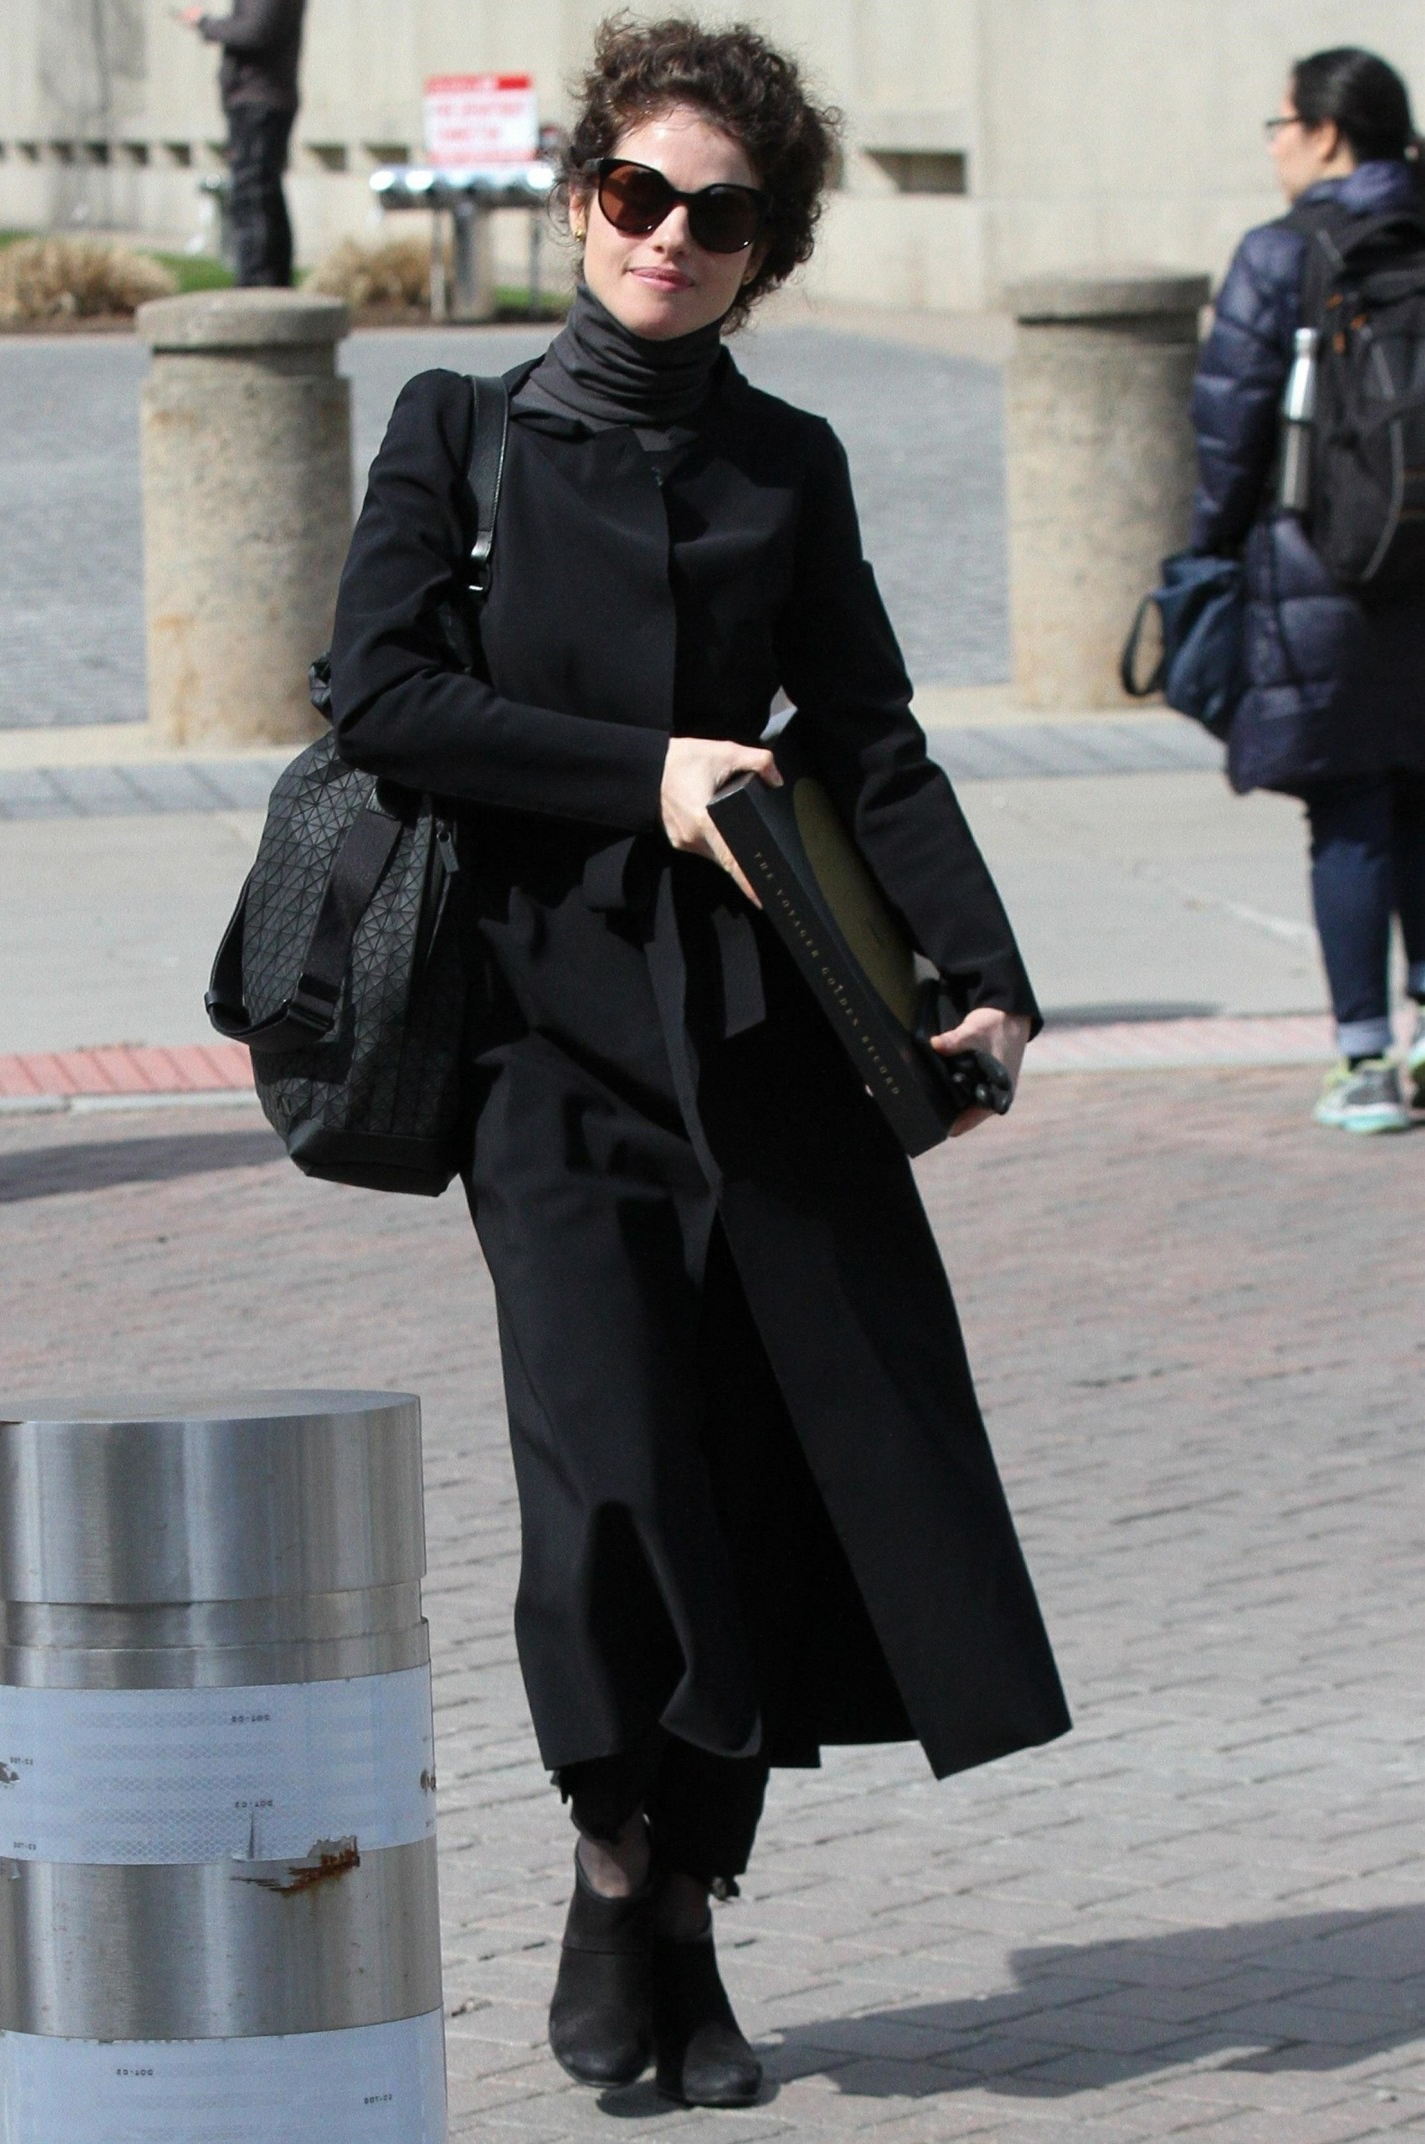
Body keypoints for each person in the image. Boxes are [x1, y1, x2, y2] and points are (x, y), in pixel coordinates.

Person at [329, 15, 1070, 2111]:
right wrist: (638, 774)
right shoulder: (457, 429)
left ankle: (687, 1917)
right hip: (537, 1040)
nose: (668, 235)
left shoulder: (785, 466)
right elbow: (381, 694)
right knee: (612, 1486)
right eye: (637, 194)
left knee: (757, 1483)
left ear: (767, 247)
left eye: (717, 212)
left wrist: (987, 972)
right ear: (582, 200)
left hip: (756, 1046)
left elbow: (870, 735)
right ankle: (606, 1846)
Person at [1191, 46, 1425, 1133]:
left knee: (1352, 814)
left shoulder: (1280, 252)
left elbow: (1229, 428)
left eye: (1281, 124)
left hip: (1315, 565)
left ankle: (1367, 1061)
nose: (1277, 143)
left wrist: (1204, 553)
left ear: (1328, 132)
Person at [179, 0, 305, 287]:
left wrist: (205, 24)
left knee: (254, 196)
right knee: (262, 195)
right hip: (260, 97)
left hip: (259, 100)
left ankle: (258, 284)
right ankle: (268, 283)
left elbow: (254, 31)